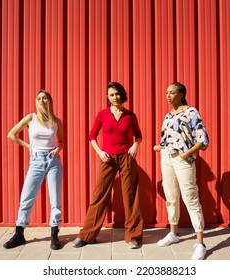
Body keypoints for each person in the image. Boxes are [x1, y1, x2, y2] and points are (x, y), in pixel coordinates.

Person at [72, 82, 144, 249]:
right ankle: (87, 235)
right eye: (112, 95)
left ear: (122, 95)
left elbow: (139, 136)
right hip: (107, 158)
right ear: (108, 97)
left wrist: (135, 146)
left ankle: (133, 236)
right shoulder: (102, 114)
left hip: (126, 158)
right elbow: (92, 136)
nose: (115, 97)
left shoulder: (130, 116)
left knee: (130, 196)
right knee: (99, 195)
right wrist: (100, 152)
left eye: (117, 94)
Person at [153, 82, 209, 260]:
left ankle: (200, 244)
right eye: (167, 92)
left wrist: (187, 154)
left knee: (190, 198)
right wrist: (160, 147)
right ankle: (174, 233)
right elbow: (166, 138)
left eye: (172, 92)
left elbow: (203, 140)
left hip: (183, 159)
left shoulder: (191, 112)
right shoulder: (168, 115)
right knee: (171, 197)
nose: (168, 95)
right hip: (167, 158)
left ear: (181, 94)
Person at [3, 90, 63, 250]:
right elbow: (11, 134)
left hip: (53, 162)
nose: (42, 100)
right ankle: (19, 233)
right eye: (39, 98)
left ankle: (54, 233)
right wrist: (29, 146)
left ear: (49, 101)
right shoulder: (31, 118)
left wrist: (58, 148)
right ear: (36, 101)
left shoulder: (56, 121)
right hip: (36, 161)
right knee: (26, 198)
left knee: (55, 200)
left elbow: (61, 141)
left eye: (45, 98)